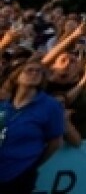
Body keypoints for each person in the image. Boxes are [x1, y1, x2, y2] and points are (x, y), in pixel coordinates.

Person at [0, 62, 65, 194]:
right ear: (16, 76)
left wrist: (33, 163)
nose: (35, 73)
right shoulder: (5, 105)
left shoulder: (50, 106)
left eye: (39, 71)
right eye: (29, 70)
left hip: (21, 172)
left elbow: (55, 142)